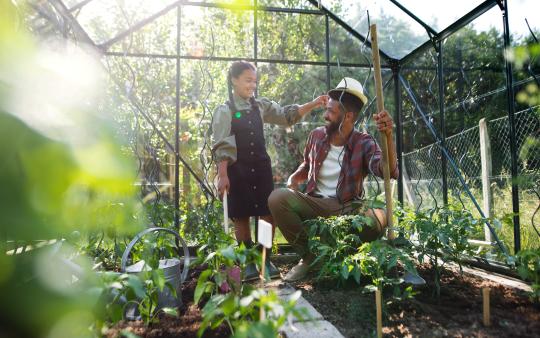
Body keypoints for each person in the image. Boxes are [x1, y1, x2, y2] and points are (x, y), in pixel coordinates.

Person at [267, 77, 398, 282]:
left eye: (331, 112)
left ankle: (342, 254)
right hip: (315, 203)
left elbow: (387, 171)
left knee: (380, 217)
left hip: (347, 206)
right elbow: (307, 166)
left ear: (348, 117)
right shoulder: (316, 136)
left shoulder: (364, 142)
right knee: (277, 198)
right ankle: (310, 258)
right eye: (325, 110)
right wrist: (295, 177)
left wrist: (389, 137)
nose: (325, 116)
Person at [212, 60, 326, 281]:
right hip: (238, 170)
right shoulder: (225, 110)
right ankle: (248, 262)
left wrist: (313, 103)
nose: (252, 85)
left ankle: (264, 258)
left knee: (267, 214)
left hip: (261, 168)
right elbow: (222, 144)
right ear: (234, 80)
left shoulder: (260, 106)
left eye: (254, 81)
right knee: (241, 216)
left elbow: (285, 116)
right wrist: (223, 174)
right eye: (247, 80)